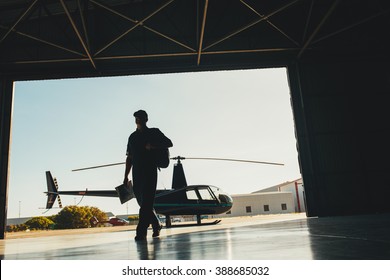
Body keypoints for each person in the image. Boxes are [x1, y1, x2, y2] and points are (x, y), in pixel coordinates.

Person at [123, 110, 173, 241]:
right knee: (143, 203)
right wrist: (125, 176)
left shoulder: (154, 132)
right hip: (137, 173)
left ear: (146, 119)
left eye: (141, 118)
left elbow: (169, 143)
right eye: (137, 118)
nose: (139, 120)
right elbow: (129, 157)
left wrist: (153, 146)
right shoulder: (132, 137)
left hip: (150, 171)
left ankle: (141, 231)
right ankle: (156, 224)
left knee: (146, 202)